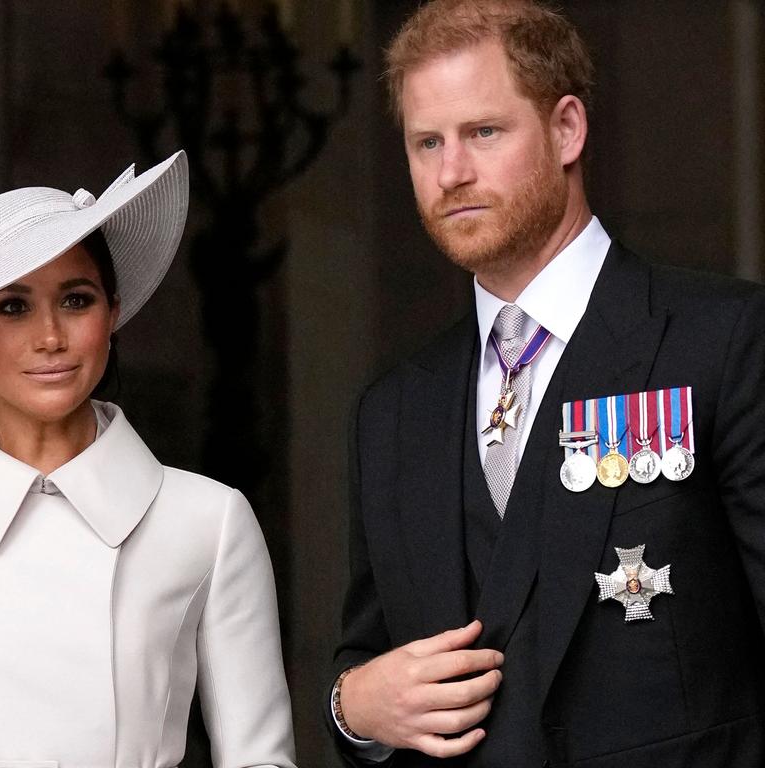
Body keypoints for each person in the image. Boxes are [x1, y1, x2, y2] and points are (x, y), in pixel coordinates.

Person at [327, 1, 765, 766]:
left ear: (567, 129)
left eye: (483, 132)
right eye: (426, 142)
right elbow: (369, 659)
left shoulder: (725, 340)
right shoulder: (392, 412)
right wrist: (352, 708)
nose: (450, 171)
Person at [0, 151, 298, 768]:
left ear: (113, 311)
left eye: (76, 300)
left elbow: (261, 761)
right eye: (13, 306)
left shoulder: (210, 521)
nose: (50, 338)